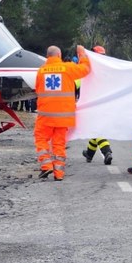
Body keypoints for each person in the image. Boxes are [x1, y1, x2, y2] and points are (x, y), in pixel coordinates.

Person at [34, 45, 91, 181]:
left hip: (46, 115)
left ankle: (46, 165)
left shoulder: (41, 71)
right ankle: (59, 173)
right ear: (59, 55)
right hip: (63, 116)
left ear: (48, 56)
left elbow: (37, 90)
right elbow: (85, 69)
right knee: (59, 144)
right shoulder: (68, 68)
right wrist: (82, 54)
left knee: (41, 139)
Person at [82, 45, 114, 165]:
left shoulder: (90, 68)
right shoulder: (107, 69)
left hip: (93, 103)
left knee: (96, 129)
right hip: (106, 103)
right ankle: (89, 154)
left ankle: (107, 151)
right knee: (94, 128)